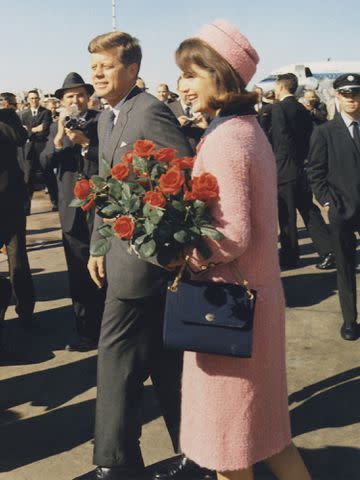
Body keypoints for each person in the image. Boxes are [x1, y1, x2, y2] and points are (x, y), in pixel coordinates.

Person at [173, 19, 311, 480]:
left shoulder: (228, 138)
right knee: (269, 438)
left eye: (192, 74)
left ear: (222, 75)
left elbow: (231, 235)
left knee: (229, 449)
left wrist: (182, 254)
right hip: (253, 301)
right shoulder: (245, 129)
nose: (183, 86)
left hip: (228, 310)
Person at [87, 31, 194, 480]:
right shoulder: (105, 118)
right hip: (119, 258)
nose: (97, 73)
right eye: (93, 66)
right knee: (165, 364)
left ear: (131, 69)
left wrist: (167, 248)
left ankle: (114, 463)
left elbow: (185, 177)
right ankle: (196, 449)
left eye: (105, 66)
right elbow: (103, 186)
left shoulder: (150, 110)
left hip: (146, 267)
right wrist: (98, 245)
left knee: (114, 359)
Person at [41, 72, 105, 352]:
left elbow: (107, 159)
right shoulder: (58, 126)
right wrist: (58, 138)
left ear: (88, 97)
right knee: (78, 271)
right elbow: (43, 162)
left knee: (104, 268)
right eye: (70, 96)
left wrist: (84, 143)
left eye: (80, 94)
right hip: (70, 208)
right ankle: (85, 330)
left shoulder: (101, 121)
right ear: (62, 101)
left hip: (98, 205)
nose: (76, 100)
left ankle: (108, 328)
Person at [308, 74, 360, 341]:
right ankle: (350, 319)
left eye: (356, 93)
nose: (352, 99)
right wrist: (328, 201)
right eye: (346, 94)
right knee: (345, 266)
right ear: (337, 96)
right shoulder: (324, 132)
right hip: (342, 210)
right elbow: (315, 172)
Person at [271, 73, 334, 270]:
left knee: (286, 214)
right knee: (308, 209)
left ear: (280, 87)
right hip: (301, 165)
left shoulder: (279, 108)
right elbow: (309, 135)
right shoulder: (301, 107)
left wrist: (277, 165)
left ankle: (290, 256)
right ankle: (329, 250)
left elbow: (281, 140)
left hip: (284, 167)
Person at [0, 105, 35, 329]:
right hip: (10, 200)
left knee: (18, 259)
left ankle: (25, 308)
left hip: (10, 201)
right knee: (17, 258)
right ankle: (20, 310)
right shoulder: (8, 118)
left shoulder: (7, 117)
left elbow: (20, 137)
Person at [22, 90, 58, 213]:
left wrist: (29, 130)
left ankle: (55, 203)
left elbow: (45, 129)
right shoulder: (24, 115)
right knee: (28, 178)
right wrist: (35, 129)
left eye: (36, 98)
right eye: (31, 98)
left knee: (48, 175)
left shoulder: (46, 112)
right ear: (28, 100)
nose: (34, 100)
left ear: (39, 99)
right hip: (29, 149)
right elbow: (23, 132)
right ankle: (26, 208)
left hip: (43, 148)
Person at [168, 77, 208, 149]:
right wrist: (176, 124)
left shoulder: (205, 108)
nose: (190, 94)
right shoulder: (168, 108)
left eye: (192, 90)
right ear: (178, 90)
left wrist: (206, 127)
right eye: (185, 91)